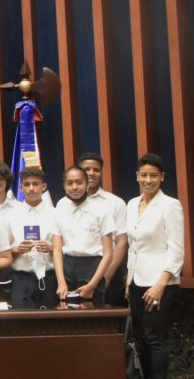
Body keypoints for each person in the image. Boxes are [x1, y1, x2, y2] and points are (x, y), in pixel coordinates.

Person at [126, 153, 185, 379]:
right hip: (136, 281)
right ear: (137, 176)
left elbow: (176, 249)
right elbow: (133, 247)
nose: (148, 180)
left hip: (160, 282)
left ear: (162, 177)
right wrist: (128, 281)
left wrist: (161, 285)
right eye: (143, 175)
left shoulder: (170, 205)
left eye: (153, 176)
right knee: (140, 338)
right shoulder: (132, 204)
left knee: (154, 338)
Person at [54, 166, 113, 302]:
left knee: (93, 318)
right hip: (67, 266)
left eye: (79, 182)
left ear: (87, 184)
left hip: (93, 268)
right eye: (70, 183)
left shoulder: (101, 209)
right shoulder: (61, 206)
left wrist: (92, 285)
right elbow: (57, 250)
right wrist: (61, 282)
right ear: (64, 186)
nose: (74, 187)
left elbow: (109, 253)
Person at [5, 168, 62, 309]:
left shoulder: (55, 214)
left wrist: (52, 247)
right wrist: (16, 249)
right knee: (22, 327)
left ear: (44, 187)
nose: (31, 189)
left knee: (50, 326)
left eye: (35, 184)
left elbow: (65, 245)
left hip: (49, 277)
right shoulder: (11, 215)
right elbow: (2, 248)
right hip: (21, 278)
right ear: (20, 188)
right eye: (27, 184)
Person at [78, 151, 128, 307]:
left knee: (110, 324)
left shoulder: (115, 203)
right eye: (87, 169)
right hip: (75, 270)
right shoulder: (65, 204)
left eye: (96, 170)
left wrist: (107, 276)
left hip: (108, 269)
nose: (91, 173)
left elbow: (121, 242)